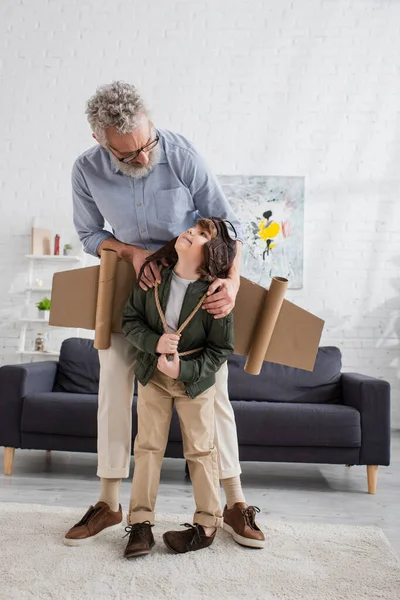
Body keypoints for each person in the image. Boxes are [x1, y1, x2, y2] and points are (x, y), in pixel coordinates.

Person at [64, 81, 264, 549]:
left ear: (149, 125)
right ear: (102, 142)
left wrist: (231, 283)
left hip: (193, 286)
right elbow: (89, 234)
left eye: (146, 144)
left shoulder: (179, 152)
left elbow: (225, 224)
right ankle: (110, 502)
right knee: (114, 386)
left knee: (214, 392)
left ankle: (233, 501)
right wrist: (132, 252)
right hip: (132, 287)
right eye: (129, 155)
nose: (143, 157)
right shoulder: (85, 170)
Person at [121, 218, 236, 558]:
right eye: (193, 228)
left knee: (201, 451)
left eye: (203, 235)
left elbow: (221, 350)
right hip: (152, 375)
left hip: (195, 383)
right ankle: (140, 524)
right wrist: (155, 342)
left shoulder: (216, 296)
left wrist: (183, 368)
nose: (191, 232)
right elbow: (130, 320)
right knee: (147, 448)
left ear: (212, 253)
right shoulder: (152, 280)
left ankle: (206, 524)